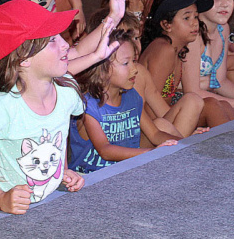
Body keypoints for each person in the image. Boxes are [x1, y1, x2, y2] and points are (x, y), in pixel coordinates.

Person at [0, 1, 103, 215]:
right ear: (23, 58)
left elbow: (56, 136)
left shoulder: (66, 92)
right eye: (52, 40)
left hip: (31, 208)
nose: (65, 45)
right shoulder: (1, 106)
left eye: (61, 37)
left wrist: (60, 172)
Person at [70, 28, 179, 173]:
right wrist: (151, 153)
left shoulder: (131, 97)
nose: (135, 69)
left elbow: (154, 134)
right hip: (91, 177)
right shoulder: (88, 105)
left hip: (125, 172)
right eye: (126, 63)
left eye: (134, 61)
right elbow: (105, 150)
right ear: (101, 69)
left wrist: (184, 144)